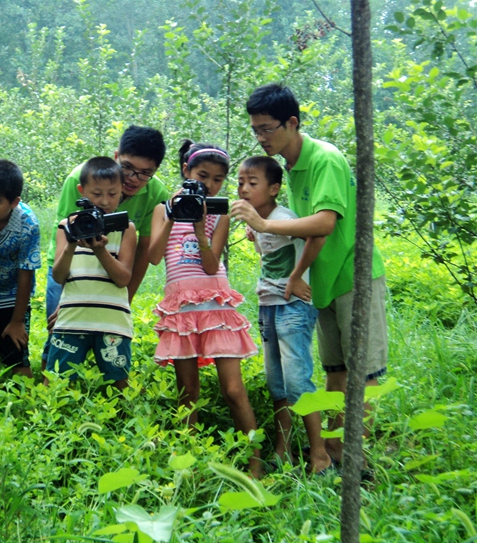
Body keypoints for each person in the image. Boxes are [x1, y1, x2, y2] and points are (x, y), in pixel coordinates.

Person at [231, 84, 387, 464]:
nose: (261, 137)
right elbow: (301, 228)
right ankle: (333, 449)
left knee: (363, 373)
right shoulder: (292, 167)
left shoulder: (323, 159)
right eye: (255, 130)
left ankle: (357, 459)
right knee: (335, 369)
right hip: (320, 281)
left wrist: (265, 227)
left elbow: (324, 223)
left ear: (292, 123)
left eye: (267, 128)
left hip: (354, 276)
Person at [147, 141, 261, 476]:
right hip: (181, 308)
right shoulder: (160, 209)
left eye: (217, 179)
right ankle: (189, 466)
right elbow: (154, 257)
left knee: (233, 389)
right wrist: (173, 212)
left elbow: (212, 266)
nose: (209, 185)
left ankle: (255, 462)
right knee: (188, 393)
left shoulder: (219, 212)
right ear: (186, 172)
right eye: (202, 176)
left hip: (215, 303)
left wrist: (200, 227)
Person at [238, 156, 331, 474]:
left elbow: (317, 236)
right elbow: (271, 254)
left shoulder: (283, 216)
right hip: (269, 305)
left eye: (253, 183)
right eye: (240, 183)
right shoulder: (258, 221)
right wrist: (255, 237)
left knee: (297, 380)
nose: (244, 189)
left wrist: (296, 277)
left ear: (274, 188)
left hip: (292, 306)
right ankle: (283, 449)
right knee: (276, 382)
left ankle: (319, 455)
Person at [45, 125, 169, 317]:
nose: (132, 178)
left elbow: (144, 251)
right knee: (58, 332)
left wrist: (126, 299)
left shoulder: (156, 193)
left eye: (145, 173)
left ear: (156, 169)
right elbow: (65, 234)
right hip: (69, 265)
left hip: (113, 269)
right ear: (116, 156)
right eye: (127, 167)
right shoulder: (81, 179)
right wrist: (69, 302)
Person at [45, 157, 137, 390]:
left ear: (122, 193)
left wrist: (100, 249)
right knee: (54, 384)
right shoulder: (66, 227)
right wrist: (71, 243)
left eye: (112, 194)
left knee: (119, 386)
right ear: (81, 191)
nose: (104, 201)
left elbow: (123, 278)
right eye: (96, 194)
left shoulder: (126, 228)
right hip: (71, 321)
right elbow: (59, 276)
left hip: (112, 323)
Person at [0, 159, 41, 378]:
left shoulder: (27, 223)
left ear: (14, 202)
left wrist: (16, 321)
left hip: (12, 297)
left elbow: (26, 272)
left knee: (16, 357)